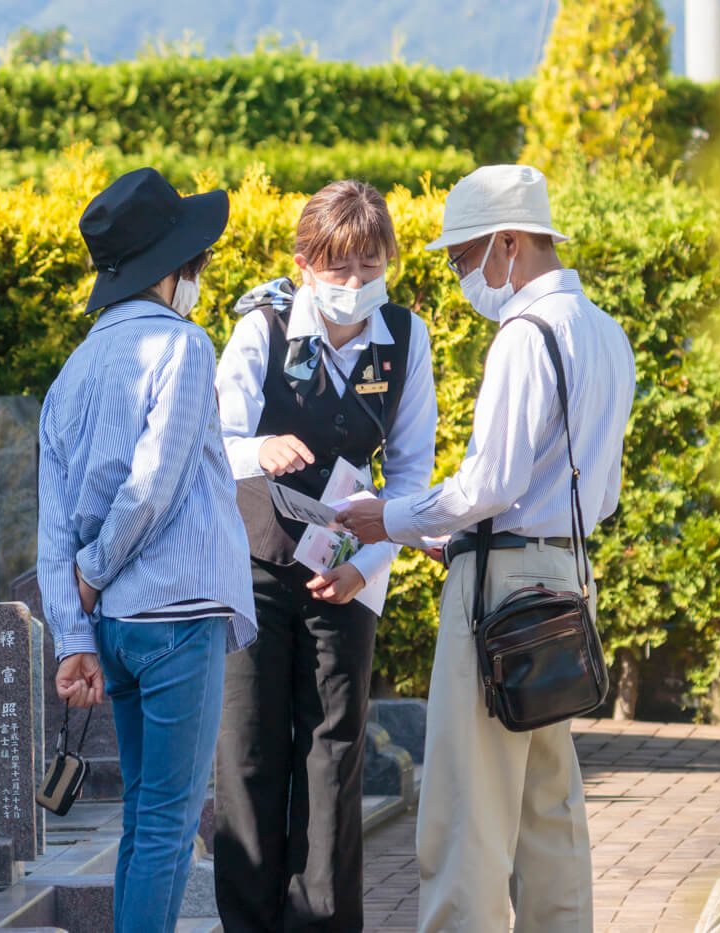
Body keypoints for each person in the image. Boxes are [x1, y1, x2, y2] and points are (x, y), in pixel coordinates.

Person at [338, 164, 636, 933]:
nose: (462, 274)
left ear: (508, 243)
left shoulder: (523, 337)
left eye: (464, 256)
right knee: (550, 810)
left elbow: (490, 482)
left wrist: (393, 516)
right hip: (566, 577)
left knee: (467, 814)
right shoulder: (607, 334)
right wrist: (466, 533)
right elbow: (595, 496)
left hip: (497, 593)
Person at [36, 167, 258, 933]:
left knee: (141, 821)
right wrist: (93, 579)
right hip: (177, 612)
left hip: (117, 632)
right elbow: (154, 489)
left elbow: (52, 526)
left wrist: (73, 630)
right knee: (167, 826)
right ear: (171, 266)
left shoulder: (70, 373)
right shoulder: (185, 347)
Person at [212, 179, 438, 932]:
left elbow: (411, 474)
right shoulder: (263, 330)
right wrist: (258, 448)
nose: (354, 286)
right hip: (254, 565)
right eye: (339, 269)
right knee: (247, 755)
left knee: (333, 754)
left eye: (371, 269)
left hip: (347, 562)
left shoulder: (404, 337)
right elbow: (210, 438)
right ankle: (248, 920)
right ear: (304, 262)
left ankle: (323, 924)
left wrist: (366, 565)